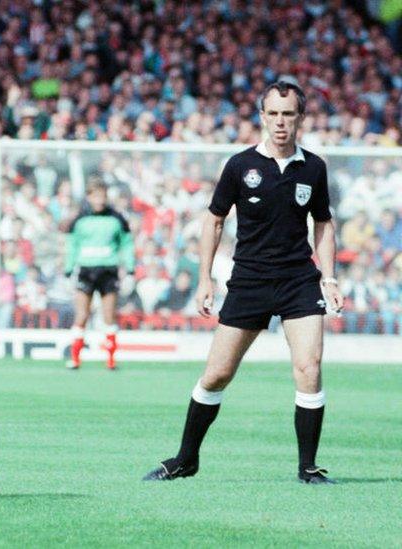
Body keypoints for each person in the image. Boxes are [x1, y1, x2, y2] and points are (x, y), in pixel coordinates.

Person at [143, 81, 345, 484]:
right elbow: (214, 219)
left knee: (309, 367)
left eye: (288, 114)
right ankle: (186, 457)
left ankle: (308, 467)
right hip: (250, 281)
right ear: (262, 117)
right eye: (273, 113)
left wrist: (329, 275)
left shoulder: (314, 168)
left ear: (300, 118)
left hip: (298, 281)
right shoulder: (240, 166)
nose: (281, 122)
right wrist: (204, 279)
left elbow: (323, 222)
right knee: (217, 374)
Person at [61, 181, 134, 369]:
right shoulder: (80, 220)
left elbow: (126, 243)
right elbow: (72, 245)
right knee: (82, 314)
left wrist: (131, 269)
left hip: (108, 271)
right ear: (89, 197)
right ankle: (75, 358)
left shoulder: (117, 219)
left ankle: (110, 359)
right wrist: (68, 270)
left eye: (103, 196)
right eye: (96, 196)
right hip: (86, 270)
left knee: (108, 315)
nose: (100, 200)